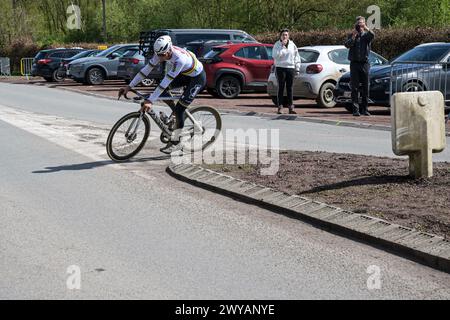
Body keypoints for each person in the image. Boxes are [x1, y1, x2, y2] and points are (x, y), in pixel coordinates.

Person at [119, 35, 205, 154]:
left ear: (169, 50)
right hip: (184, 74)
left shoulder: (179, 59)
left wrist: (150, 101)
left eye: (162, 55)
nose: (160, 58)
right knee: (163, 93)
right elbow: (145, 71)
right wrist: (129, 86)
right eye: (158, 55)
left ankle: (177, 141)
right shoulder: (160, 52)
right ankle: (174, 116)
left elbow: (165, 82)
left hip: (197, 78)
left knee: (180, 109)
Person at [344, 16, 375, 116]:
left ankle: (365, 109)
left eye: (361, 23)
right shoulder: (352, 35)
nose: (360, 26)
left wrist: (365, 27)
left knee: (366, 87)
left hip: (364, 64)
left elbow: (372, 35)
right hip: (354, 64)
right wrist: (353, 35)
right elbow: (347, 45)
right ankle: (355, 110)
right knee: (355, 88)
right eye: (358, 24)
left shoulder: (366, 35)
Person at [273, 29, 301, 114]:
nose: (284, 36)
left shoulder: (292, 45)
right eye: (283, 35)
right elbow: (275, 56)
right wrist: (282, 47)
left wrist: (297, 67)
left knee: (290, 88)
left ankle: (291, 107)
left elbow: (296, 56)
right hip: (280, 67)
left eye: (286, 35)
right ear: (280, 36)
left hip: (290, 68)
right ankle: (280, 107)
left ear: (288, 36)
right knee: (281, 87)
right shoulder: (277, 45)